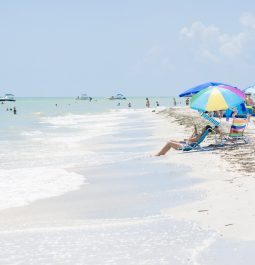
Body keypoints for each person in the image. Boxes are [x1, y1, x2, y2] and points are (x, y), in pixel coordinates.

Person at [156, 125, 220, 156]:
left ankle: (159, 155)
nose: (202, 127)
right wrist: (194, 132)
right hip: (187, 144)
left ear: (205, 129)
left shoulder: (200, 135)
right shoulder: (201, 134)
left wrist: (193, 134)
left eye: (204, 127)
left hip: (187, 147)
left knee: (169, 143)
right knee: (170, 140)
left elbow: (190, 139)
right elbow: (192, 139)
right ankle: (161, 154)